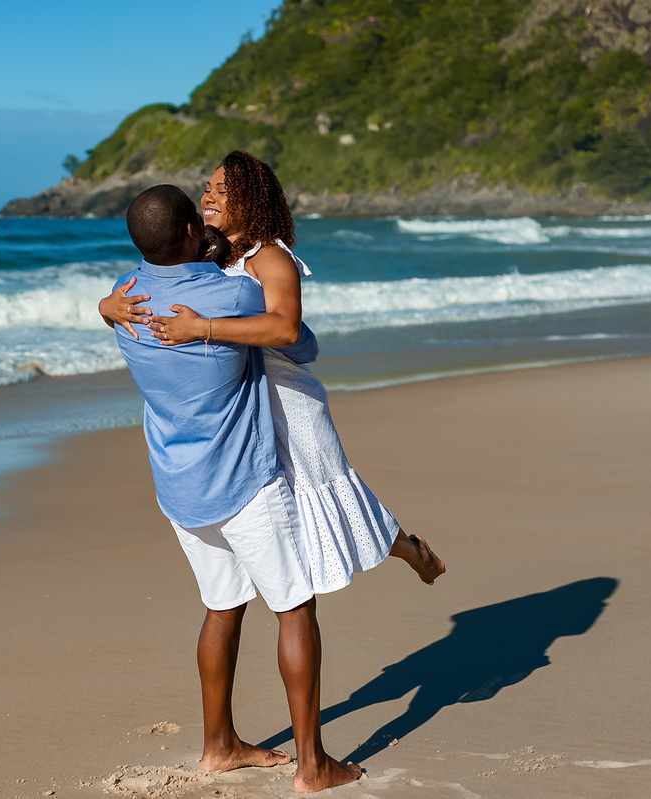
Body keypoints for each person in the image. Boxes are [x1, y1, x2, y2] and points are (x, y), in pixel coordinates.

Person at [100, 150, 444, 594]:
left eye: (223, 192)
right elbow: (158, 298)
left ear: (251, 202)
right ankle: (292, 582)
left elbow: (286, 328)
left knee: (329, 493)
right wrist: (107, 307)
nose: (209, 198)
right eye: (207, 188)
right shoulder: (206, 253)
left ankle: (408, 548)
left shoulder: (269, 258)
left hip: (283, 393)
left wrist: (201, 328)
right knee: (281, 510)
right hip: (236, 396)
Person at [112, 184, 361, 793]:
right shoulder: (235, 292)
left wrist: (103, 307)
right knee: (294, 607)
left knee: (222, 608)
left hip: (178, 486)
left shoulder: (125, 298)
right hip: (245, 481)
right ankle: (312, 765)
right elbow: (298, 340)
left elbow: (113, 297)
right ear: (193, 231)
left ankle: (219, 745)